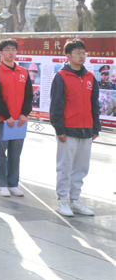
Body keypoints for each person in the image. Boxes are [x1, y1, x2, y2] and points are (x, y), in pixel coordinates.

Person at [50, 39, 100, 217]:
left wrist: (96, 127)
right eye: (78, 53)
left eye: (83, 53)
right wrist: (59, 129)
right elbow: (56, 105)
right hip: (68, 130)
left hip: (86, 130)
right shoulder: (61, 76)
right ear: (68, 56)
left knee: (81, 168)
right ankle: (62, 200)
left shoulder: (90, 77)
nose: (82, 56)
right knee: (65, 166)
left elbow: (94, 104)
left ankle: (75, 200)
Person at [0, 39, 33, 197]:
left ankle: (13, 183)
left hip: (19, 121)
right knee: (0, 153)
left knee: (15, 154)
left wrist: (24, 113)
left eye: (13, 49)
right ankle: (1, 184)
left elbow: (29, 95)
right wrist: (7, 116)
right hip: (3, 121)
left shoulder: (23, 72)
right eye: (7, 49)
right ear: (1, 53)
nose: (11, 52)